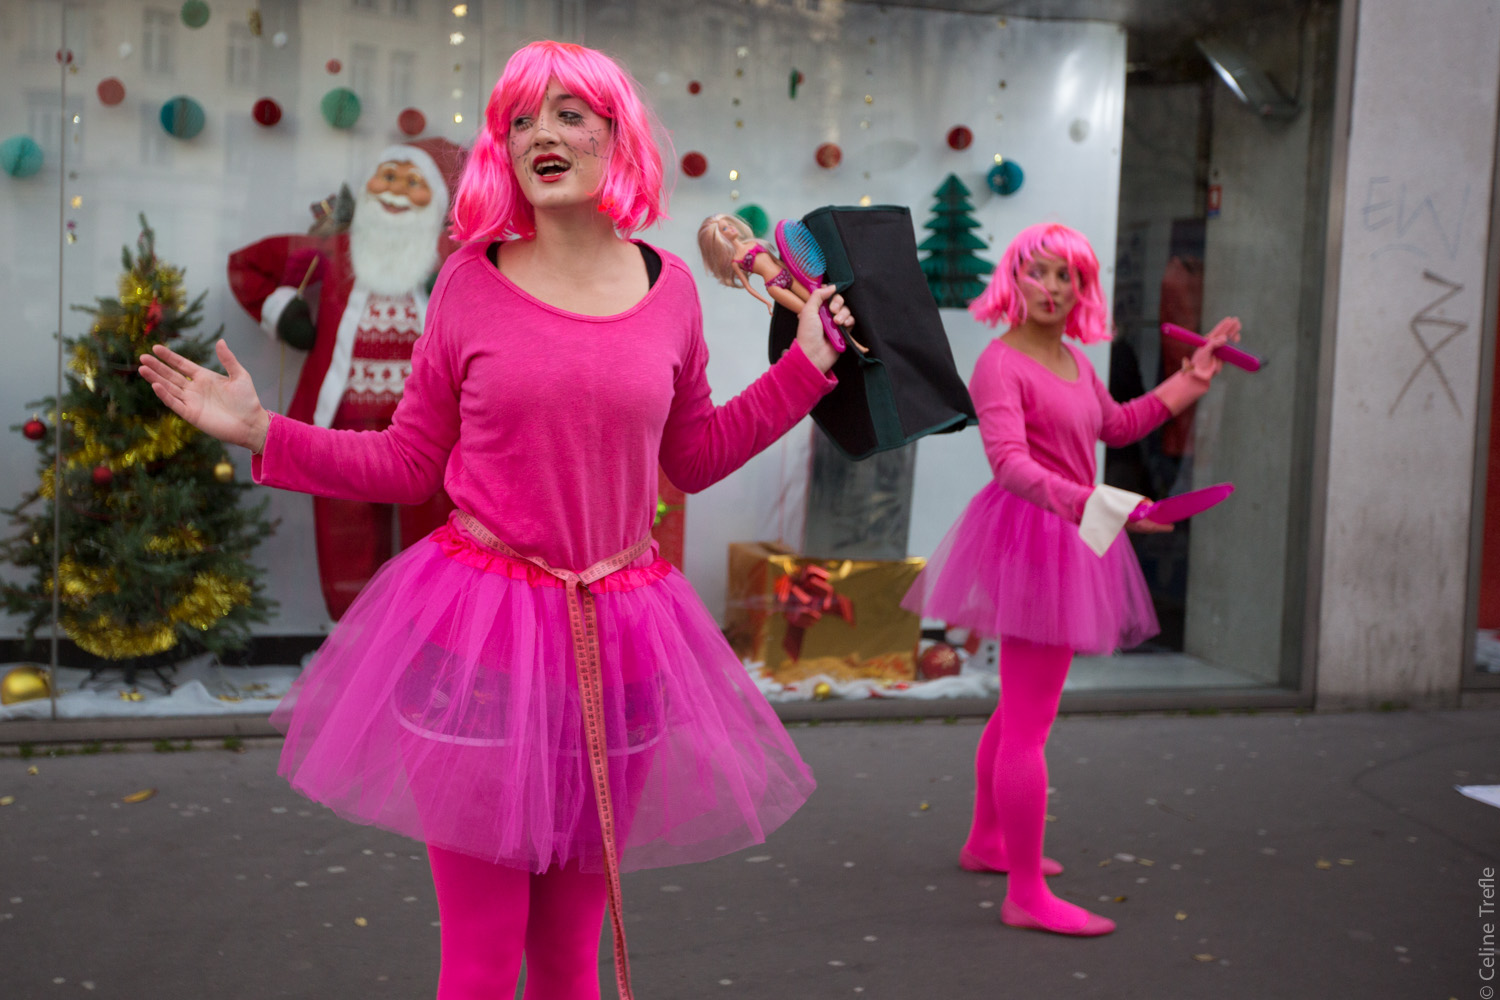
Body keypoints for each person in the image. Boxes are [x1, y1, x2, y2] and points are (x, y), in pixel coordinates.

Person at [140, 40, 855, 1000]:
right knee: (480, 964)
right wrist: (265, 432)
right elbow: (407, 462)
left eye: (568, 114)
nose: (539, 135)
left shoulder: (673, 291)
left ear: (617, 137)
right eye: (520, 120)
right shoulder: (469, 284)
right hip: (479, 643)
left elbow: (692, 456)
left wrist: (805, 370)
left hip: (620, 642)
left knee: (568, 963)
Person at [901, 222, 1238, 937]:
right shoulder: (1000, 364)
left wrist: (1194, 375)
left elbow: (1118, 425)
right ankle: (1024, 894)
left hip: (1070, 535)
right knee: (1029, 724)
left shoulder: (1075, 361)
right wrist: (1106, 506)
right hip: (1032, 544)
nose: (1052, 288)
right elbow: (1010, 466)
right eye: (1040, 271)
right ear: (1013, 279)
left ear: (1083, 289)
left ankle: (986, 842)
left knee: (1018, 712)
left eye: (1068, 276)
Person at [226, 137, 468, 619]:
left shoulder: (452, 259)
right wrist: (285, 314)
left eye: (413, 182)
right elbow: (247, 265)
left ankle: (431, 631)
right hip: (345, 422)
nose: (396, 189)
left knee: (437, 533)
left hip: (432, 428)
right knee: (347, 534)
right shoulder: (336, 250)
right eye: (388, 176)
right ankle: (352, 633)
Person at [698, 211, 868, 352]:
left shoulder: (753, 243)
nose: (731, 228)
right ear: (719, 239)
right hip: (774, 286)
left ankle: (851, 340)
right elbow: (748, 287)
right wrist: (766, 302)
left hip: (787, 275)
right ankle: (844, 343)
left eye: (729, 224)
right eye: (725, 228)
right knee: (809, 313)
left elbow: (777, 261)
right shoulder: (736, 261)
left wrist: (798, 272)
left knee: (821, 304)